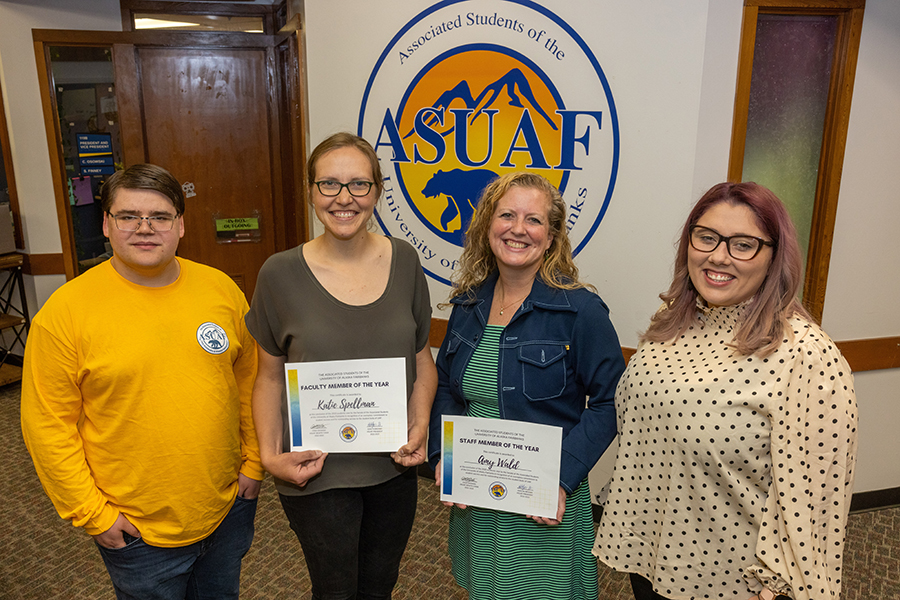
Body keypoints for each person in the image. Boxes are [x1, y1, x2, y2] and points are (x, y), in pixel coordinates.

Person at [19, 163, 290, 599]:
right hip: (134, 529)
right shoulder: (65, 313)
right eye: (128, 216)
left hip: (227, 507)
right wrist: (94, 516)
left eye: (160, 217)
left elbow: (251, 382)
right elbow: (47, 427)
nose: (144, 229)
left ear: (180, 225)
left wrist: (255, 463)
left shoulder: (219, 290)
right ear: (106, 224)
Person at [594, 182, 858, 600]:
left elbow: (816, 498)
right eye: (707, 237)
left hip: (731, 579)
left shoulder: (807, 355)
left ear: (774, 256)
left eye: (744, 245)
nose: (719, 256)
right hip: (649, 553)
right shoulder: (672, 322)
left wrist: (784, 585)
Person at [245, 132, 437, 600]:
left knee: (379, 586)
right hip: (315, 471)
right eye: (329, 184)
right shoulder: (278, 273)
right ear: (310, 191)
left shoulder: (406, 261)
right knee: (334, 590)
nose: (344, 198)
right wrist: (270, 457)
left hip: (393, 468)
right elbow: (268, 376)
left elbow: (421, 361)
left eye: (359, 184)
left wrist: (422, 424)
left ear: (377, 191)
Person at [427, 172, 626, 599]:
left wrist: (560, 477)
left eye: (534, 220)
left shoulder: (581, 311)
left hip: (542, 495)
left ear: (551, 237)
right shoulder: (468, 303)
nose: (518, 229)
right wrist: (445, 454)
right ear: (487, 226)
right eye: (507, 215)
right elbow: (446, 384)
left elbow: (611, 402)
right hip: (477, 493)